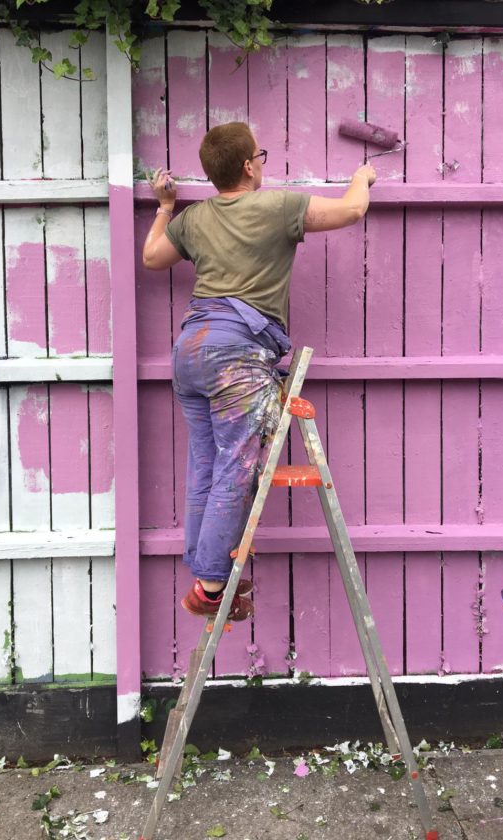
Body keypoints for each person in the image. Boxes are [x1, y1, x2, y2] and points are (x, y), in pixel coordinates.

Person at [142, 121, 375, 621]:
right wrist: (364, 176)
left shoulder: (194, 217)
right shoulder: (277, 207)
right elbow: (353, 210)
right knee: (236, 466)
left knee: (206, 463)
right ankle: (208, 583)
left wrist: (165, 209)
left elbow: (151, 257)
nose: (264, 163)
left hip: (191, 349)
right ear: (249, 166)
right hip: (236, 355)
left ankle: (204, 573)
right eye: (261, 155)